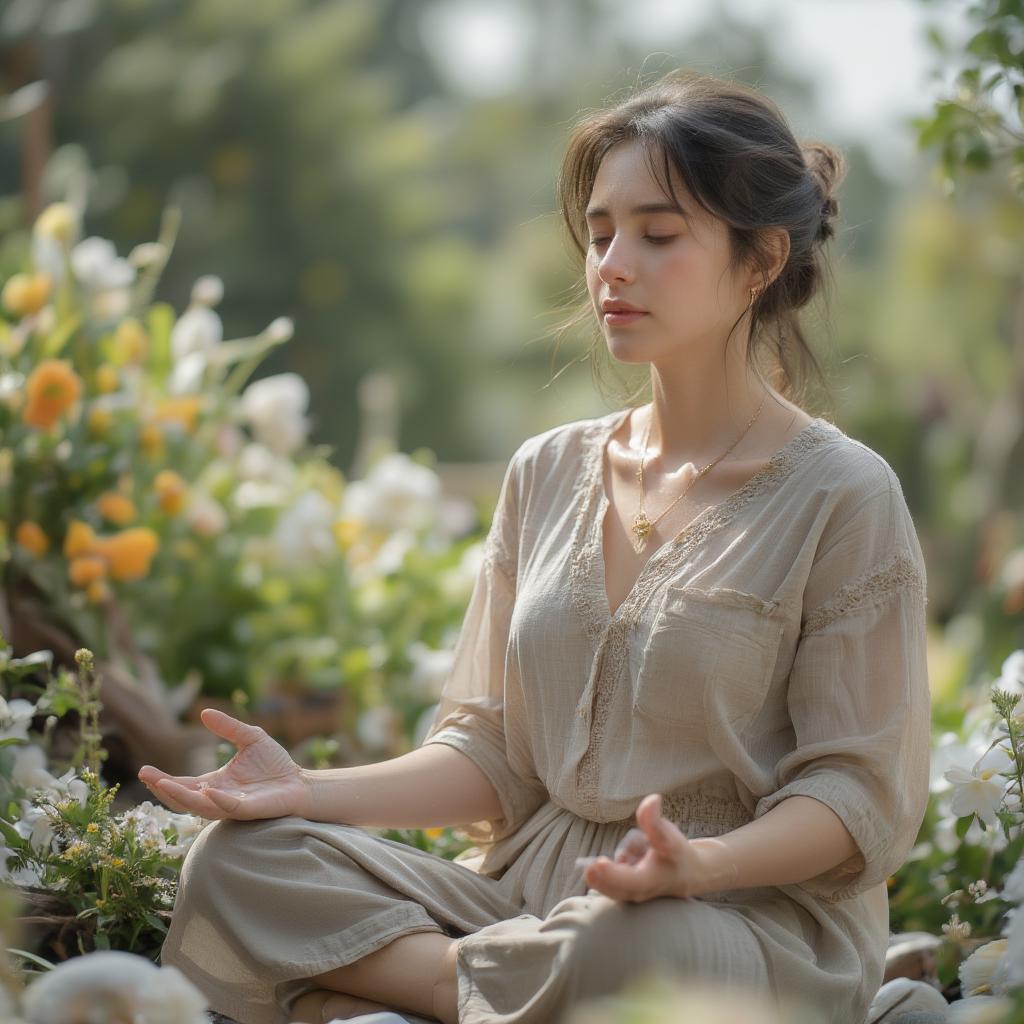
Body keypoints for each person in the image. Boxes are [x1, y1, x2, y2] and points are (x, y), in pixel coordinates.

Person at [143, 69, 932, 1024]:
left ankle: (404, 993)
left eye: (658, 233)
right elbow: (491, 753)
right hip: (523, 905)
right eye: (600, 234)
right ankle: (475, 993)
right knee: (241, 858)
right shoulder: (546, 472)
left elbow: (855, 794)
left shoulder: (844, 494)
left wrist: (697, 865)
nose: (612, 264)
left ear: (761, 260)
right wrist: (305, 788)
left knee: (637, 945)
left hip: (737, 916)